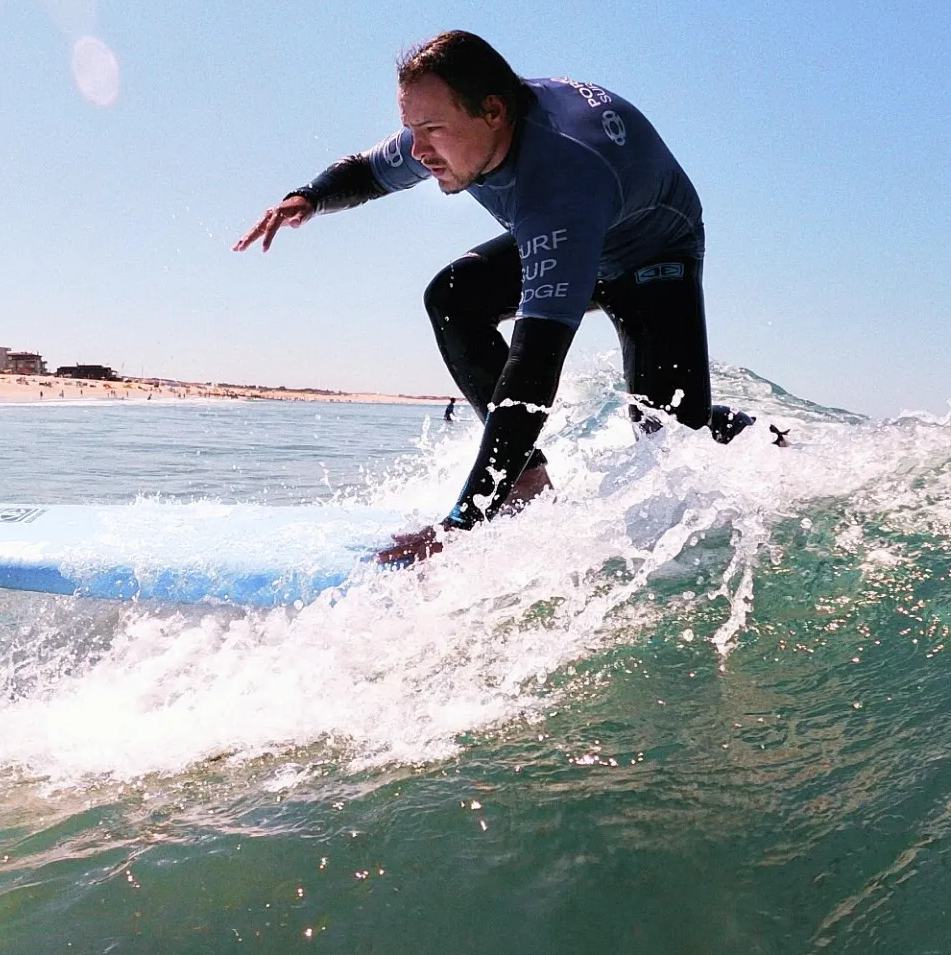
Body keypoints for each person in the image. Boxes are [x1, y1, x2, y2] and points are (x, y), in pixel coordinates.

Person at [235, 30, 750, 564]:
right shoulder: (461, 128)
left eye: (432, 129)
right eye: (412, 128)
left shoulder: (561, 182)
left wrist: (463, 523)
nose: (418, 150)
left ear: (494, 112)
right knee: (454, 296)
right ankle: (527, 483)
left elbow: (532, 374)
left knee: (668, 436)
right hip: (583, 229)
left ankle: (769, 442)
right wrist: (309, 198)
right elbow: (368, 169)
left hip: (649, 255)